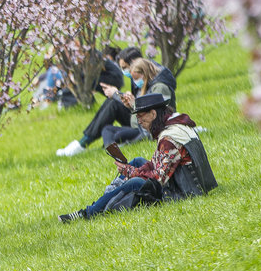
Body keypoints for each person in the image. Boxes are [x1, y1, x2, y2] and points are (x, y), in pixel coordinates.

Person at [58, 93, 217, 222]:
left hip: (183, 192)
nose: (138, 121)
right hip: (187, 182)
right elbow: (158, 163)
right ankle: (106, 199)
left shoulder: (168, 139)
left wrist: (130, 172)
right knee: (137, 161)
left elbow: (159, 178)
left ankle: (89, 213)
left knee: (134, 182)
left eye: (141, 116)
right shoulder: (176, 124)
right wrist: (134, 169)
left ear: (153, 113)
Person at [57, 47, 176, 156]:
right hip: (138, 121)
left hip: (145, 129)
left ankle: (108, 146)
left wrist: (121, 96)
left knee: (115, 129)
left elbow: (154, 114)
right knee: (108, 123)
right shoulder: (143, 79)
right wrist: (125, 100)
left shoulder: (159, 86)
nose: (125, 72)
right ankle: (100, 145)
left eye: (124, 67)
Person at [101, 57, 176, 147]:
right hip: (139, 126)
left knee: (118, 136)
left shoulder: (160, 87)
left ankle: (115, 148)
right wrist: (129, 104)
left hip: (148, 129)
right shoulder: (144, 86)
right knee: (107, 129)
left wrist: (134, 104)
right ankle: (111, 149)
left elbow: (155, 115)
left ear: (144, 73)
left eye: (136, 78)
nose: (135, 82)